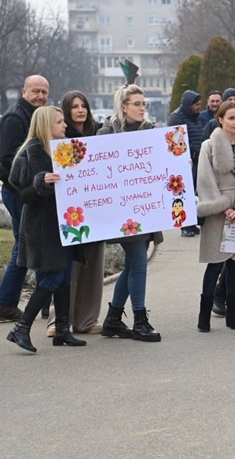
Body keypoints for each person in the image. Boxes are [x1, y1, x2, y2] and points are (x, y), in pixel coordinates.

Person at [6, 106, 86, 353]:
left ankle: (62, 330)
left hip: (65, 223)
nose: (65, 125)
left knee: (63, 277)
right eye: (60, 122)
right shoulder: (31, 153)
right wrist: (41, 182)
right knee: (52, 276)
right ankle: (21, 328)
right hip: (43, 227)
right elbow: (23, 194)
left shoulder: (64, 150)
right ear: (45, 125)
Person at [98, 85, 162, 342]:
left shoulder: (152, 132)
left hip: (145, 210)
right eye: (136, 103)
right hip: (121, 213)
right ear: (123, 106)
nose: (142, 107)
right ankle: (139, 321)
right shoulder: (106, 132)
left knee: (133, 265)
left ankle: (113, 318)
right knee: (138, 264)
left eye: (143, 103)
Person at [45, 91, 105, 337]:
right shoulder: (60, 139)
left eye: (84, 106)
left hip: (99, 210)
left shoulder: (100, 135)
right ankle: (57, 321)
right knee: (69, 267)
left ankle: (86, 321)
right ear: (66, 111)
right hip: (71, 214)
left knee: (93, 267)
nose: (80, 110)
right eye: (75, 106)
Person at [0, 75, 49, 322]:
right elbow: (7, 160)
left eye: (44, 92)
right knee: (24, 246)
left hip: (30, 192)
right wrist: (29, 185)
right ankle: (5, 304)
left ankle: (42, 300)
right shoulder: (15, 118)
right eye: (35, 91)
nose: (40, 96)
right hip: (18, 193)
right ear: (24, 91)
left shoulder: (36, 115)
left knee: (32, 244)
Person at [196, 101, 235, 332]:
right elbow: (204, 179)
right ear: (220, 119)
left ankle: (232, 312)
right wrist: (222, 206)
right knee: (214, 263)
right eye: (231, 118)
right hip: (217, 209)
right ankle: (204, 314)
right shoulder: (209, 145)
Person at [168, 90, 203, 237]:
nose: (198, 108)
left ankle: (192, 223)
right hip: (184, 163)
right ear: (189, 105)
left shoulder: (196, 117)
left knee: (193, 194)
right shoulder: (176, 118)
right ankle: (185, 226)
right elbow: (175, 142)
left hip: (197, 161)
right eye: (196, 105)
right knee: (184, 195)